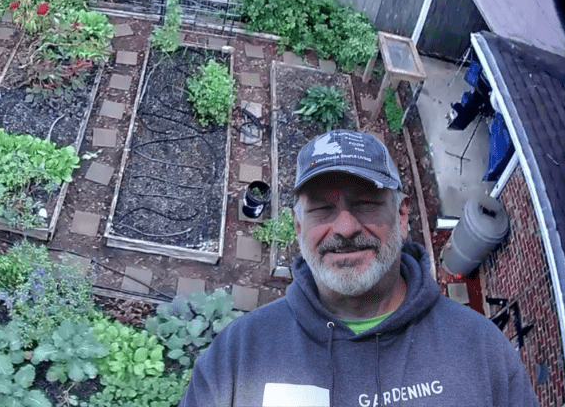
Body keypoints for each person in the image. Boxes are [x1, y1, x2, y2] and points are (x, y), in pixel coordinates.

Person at [179, 129, 538, 407]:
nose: (345, 228)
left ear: (401, 214)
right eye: (321, 209)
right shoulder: (238, 356)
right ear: (299, 226)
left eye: (365, 203)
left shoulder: (479, 348)